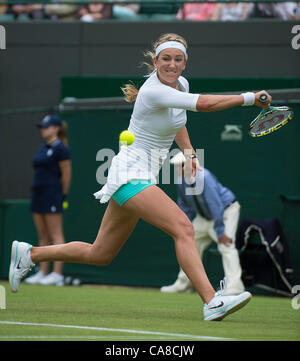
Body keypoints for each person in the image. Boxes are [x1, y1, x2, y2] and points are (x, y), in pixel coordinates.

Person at [9, 33, 272, 321]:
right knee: (183, 228)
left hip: (140, 176)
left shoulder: (181, 84)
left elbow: (178, 121)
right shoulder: (152, 91)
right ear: (156, 60)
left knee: (100, 253)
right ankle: (211, 301)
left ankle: (30, 254)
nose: (172, 64)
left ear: (185, 63)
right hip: (130, 175)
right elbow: (205, 105)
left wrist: (190, 153)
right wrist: (248, 98)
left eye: (178, 59)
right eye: (166, 59)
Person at [160, 151, 245, 295]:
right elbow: (184, 206)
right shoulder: (181, 181)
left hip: (225, 212)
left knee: (226, 245)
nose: (177, 170)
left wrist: (220, 231)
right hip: (204, 216)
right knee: (188, 244)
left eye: (180, 166)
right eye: (175, 167)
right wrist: (182, 227)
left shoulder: (204, 177)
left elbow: (215, 205)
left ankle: (235, 286)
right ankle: (184, 284)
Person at [24, 114, 71, 286]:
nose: (43, 129)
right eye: (42, 127)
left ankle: (57, 274)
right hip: (38, 193)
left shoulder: (61, 149)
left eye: (47, 126)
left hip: (53, 194)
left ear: (56, 128)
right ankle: (43, 272)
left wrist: (63, 195)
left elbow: (66, 173)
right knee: (42, 235)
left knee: (56, 234)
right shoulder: (42, 148)